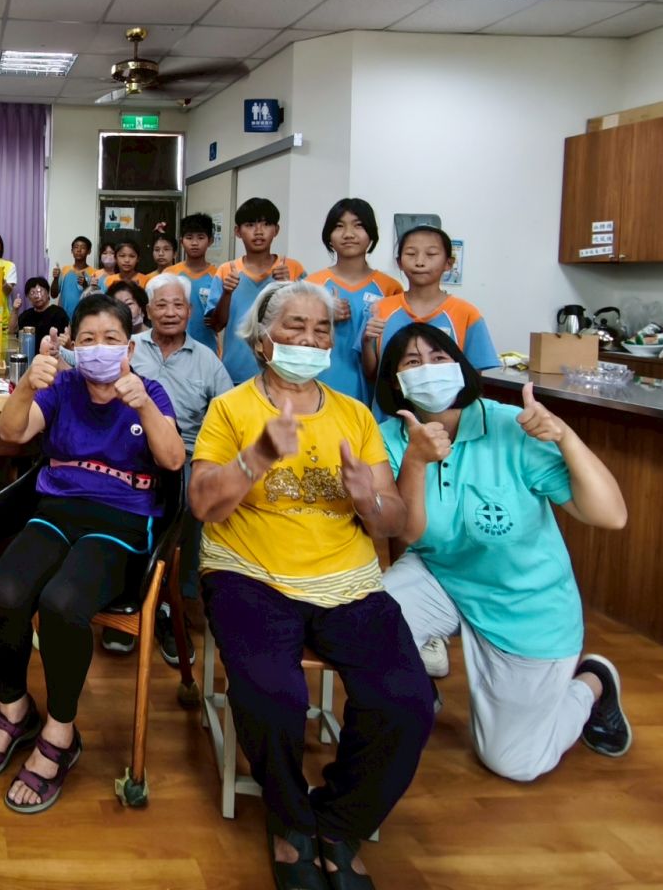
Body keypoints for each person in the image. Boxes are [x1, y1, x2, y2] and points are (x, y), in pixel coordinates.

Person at [190, 281, 433, 890]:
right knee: (274, 697)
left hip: (347, 579)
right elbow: (203, 505)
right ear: (263, 340)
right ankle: (291, 823)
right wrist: (257, 456)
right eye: (295, 326)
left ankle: (341, 822)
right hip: (249, 573)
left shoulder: (354, 415)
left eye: (321, 329)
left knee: (407, 700)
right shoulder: (232, 409)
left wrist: (369, 499)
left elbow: (393, 521)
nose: (310, 338)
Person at [377, 325, 631, 780]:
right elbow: (409, 532)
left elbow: (610, 515)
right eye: (412, 362)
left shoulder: (511, 427)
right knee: (369, 617)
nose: (428, 370)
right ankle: (417, 692)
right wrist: (415, 459)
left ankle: (593, 683)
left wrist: (565, 437)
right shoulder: (391, 437)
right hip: (443, 575)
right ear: (396, 383)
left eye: (439, 358)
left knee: (515, 763)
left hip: (524, 605)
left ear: (460, 367)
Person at [0, 294, 184, 813]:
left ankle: (60, 733)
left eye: (111, 339)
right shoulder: (62, 387)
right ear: (72, 346)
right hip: (56, 511)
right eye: (88, 339)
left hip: (121, 523)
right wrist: (27, 383)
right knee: (3, 592)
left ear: (129, 348)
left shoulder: (150, 392)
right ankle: (14, 709)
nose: (99, 348)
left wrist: (143, 405)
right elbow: (12, 432)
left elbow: (174, 460)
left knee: (63, 603)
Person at [126, 273, 234, 666]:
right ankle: (129, 597)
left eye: (178, 305)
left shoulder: (206, 359)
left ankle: (176, 603)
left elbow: (229, 413)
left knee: (192, 506)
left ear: (189, 311)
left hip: (187, 452)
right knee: (120, 503)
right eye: (162, 305)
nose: (170, 312)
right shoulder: (129, 347)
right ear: (147, 310)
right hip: (131, 448)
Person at [360, 225, 499, 393]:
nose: (420, 262)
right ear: (399, 263)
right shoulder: (380, 309)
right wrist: (366, 342)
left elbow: (473, 381)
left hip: (449, 410)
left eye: (431, 254)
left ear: (448, 263)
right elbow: (371, 374)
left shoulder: (467, 314)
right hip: (388, 409)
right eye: (411, 254)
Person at [305, 199, 402, 404]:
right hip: (319, 388)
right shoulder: (311, 284)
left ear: (371, 234)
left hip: (373, 393)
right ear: (329, 236)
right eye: (339, 226)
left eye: (358, 225)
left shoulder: (390, 288)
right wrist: (323, 316)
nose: (348, 234)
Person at [207, 198, 306, 385]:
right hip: (234, 373)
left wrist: (289, 286)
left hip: (282, 372)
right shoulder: (226, 271)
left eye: (266, 224)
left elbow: (305, 321)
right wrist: (227, 293)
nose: (259, 231)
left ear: (276, 230)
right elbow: (216, 325)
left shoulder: (293, 269)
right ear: (238, 231)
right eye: (250, 224)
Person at [166, 212, 221, 354]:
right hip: (174, 349)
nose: (195, 243)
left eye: (200, 238)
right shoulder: (170, 274)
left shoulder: (217, 275)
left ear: (210, 241)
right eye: (189, 238)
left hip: (208, 349)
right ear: (181, 241)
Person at [49, 236, 95, 319]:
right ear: (72, 251)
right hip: (63, 317)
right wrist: (55, 278)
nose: (79, 250)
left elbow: (95, 300)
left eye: (83, 247)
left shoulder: (94, 273)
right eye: (76, 247)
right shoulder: (65, 270)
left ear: (89, 251)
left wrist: (85, 286)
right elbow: (53, 294)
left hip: (84, 318)